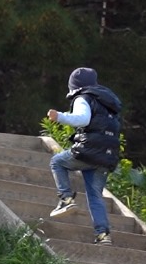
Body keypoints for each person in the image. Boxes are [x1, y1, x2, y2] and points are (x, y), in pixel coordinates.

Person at [46, 67, 123, 245]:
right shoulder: (108, 102)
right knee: (95, 195)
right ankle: (103, 235)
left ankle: (65, 198)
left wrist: (59, 117)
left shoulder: (84, 97)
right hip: (107, 155)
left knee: (57, 162)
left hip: (89, 151)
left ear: (74, 86)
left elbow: (82, 119)